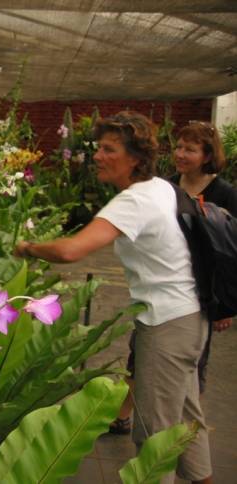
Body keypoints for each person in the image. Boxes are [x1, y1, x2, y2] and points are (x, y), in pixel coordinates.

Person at [14, 111, 212, 484]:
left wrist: (27, 247)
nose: (98, 156)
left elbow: (72, 250)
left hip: (167, 326)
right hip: (189, 319)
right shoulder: (162, 188)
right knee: (186, 423)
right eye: (98, 148)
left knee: (155, 436)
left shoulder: (135, 201)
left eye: (109, 149)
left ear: (135, 158)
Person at [110, 121, 237, 435]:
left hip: (203, 296)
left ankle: (188, 434)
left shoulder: (224, 194)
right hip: (163, 292)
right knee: (140, 355)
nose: (180, 154)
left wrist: (227, 306)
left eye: (190, 149)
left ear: (207, 155)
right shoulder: (166, 187)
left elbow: (231, 251)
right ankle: (122, 416)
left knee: (192, 372)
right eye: (179, 147)